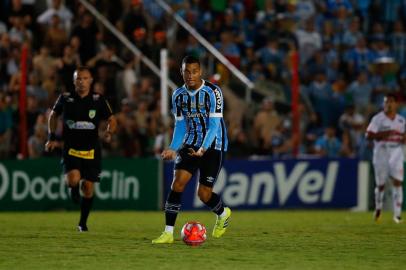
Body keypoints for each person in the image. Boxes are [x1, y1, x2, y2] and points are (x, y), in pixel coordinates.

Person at [152, 55, 231, 244]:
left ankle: (223, 213)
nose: (190, 75)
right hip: (190, 143)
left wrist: (203, 148)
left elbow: (214, 125)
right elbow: (180, 126)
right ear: (181, 72)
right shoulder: (178, 95)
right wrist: (173, 147)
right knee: (177, 183)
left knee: (203, 194)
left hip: (214, 145)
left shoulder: (213, 92)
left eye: (194, 71)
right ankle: (168, 233)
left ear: (200, 72)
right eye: (187, 71)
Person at [45, 66, 117, 231]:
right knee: (73, 180)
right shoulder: (65, 98)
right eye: (79, 79)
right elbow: (53, 116)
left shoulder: (98, 99)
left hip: (92, 150)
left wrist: (109, 132)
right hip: (71, 148)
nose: (82, 82)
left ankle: (82, 222)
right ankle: (73, 187)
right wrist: (51, 137)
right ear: (74, 81)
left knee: (88, 187)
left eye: (85, 78)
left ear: (91, 81)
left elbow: (112, 119)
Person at [366, 93, 405, 224]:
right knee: (380, 184)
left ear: (396, 104)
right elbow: (368, 135)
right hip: (381, 152)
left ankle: (397, 215)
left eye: (391, 102)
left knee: (398, 182)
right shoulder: (378, 119)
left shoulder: (401, 120)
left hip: (396, 152)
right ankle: (378, 209)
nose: (388, 104)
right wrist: (384, 133)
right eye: (386, 102)